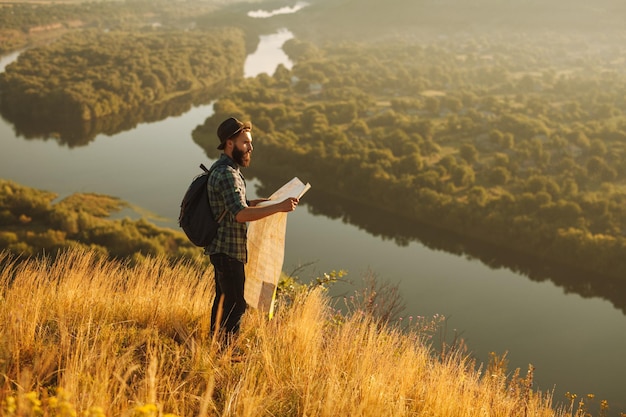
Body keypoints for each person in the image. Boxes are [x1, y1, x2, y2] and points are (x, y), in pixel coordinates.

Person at [205, 116, 299, 341]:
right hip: (228, 251)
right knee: (236, 304)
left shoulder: (224, 168)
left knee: (224, 300)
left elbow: (236, 206)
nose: (250, 147)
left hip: (223, 249)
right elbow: (240, 214)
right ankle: (226, 352)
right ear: (230, 143)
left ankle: (215, 344)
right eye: (245, 142)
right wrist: (278, 207)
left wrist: (259, 203)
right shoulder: (228, 174)